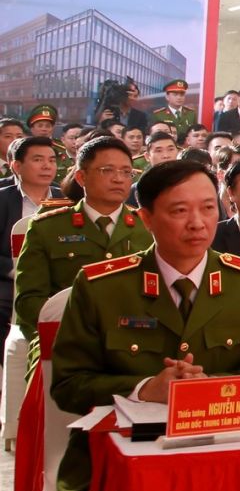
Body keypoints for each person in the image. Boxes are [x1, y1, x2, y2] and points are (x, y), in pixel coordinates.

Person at [50, 158, 240, 491]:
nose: (197, 223)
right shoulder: (102, 286)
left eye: (208, 208)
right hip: (119, 461)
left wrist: (206, 389)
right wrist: (144, 389)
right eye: (178, 211)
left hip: (225, 454)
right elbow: (69, 385)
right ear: (146, 218)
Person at [12, 136, 152, 378]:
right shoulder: (48, 228)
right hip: (64, 339)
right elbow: (29, 301)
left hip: (135, 339)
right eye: (107, 170)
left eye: (126, 172)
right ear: (81, 177)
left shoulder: (148, 228)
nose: (119, 178)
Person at [0, 137, 65, 339]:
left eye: (52, 160)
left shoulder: (67, 200)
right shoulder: (2, 200)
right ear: (16, 166)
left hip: (57, 284)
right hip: (9, 282)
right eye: (38, 160)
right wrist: (16, 270)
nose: (47, 166)